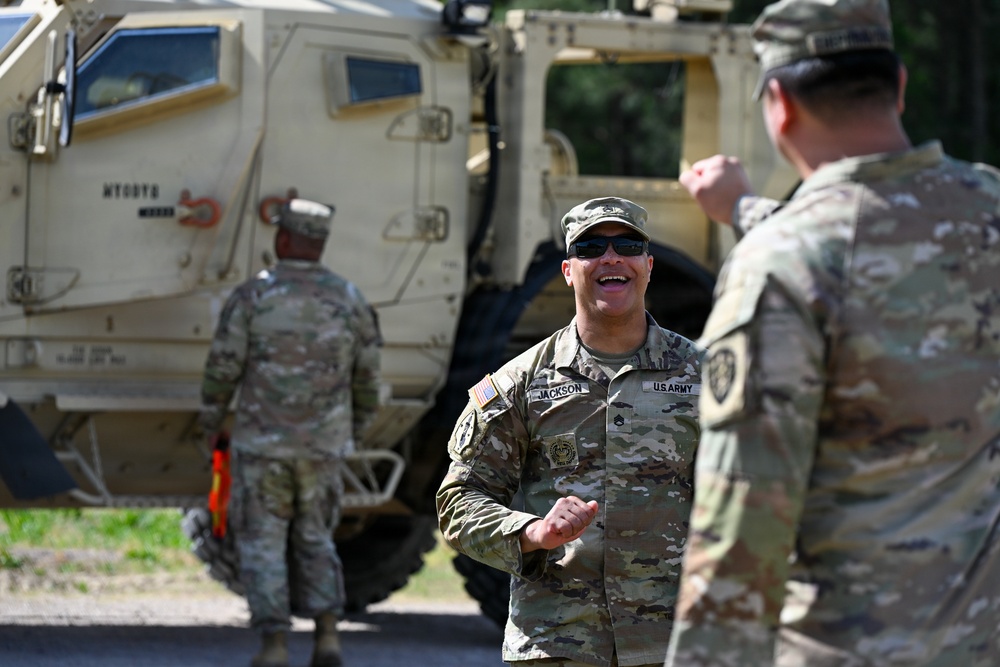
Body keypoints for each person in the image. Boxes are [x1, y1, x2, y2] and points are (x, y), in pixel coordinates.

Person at [664, 1, 1000, 666]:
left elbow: (742, 528)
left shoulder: (781, 267)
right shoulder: (988, 210)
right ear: (899, 85)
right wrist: (746, 210)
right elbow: (888, 237)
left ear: (779, 104)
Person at [437, 196, 702, 667]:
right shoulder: (519, 384)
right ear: (567, 269)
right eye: (591, 247)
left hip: (678, 642)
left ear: (648, 264)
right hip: (558, 643)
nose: (611, 257)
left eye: (627, 244)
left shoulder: (707, 377)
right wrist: (532, 531)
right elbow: (459, 499)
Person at [199, 198, 381, 667]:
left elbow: (222, 369)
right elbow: (368, 380)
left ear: (282, 239)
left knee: (262, 542)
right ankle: (326, 638)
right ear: (320, 244)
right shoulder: (350, 299)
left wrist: (211, 422)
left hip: (261, 447)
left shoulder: (254, 295)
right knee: (317, 538)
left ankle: (274, 645)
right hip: (323, 448)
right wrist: (353, 430)